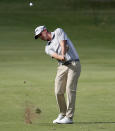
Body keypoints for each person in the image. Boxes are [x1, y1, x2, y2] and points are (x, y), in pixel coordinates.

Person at [34, 25, 81, 124]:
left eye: (40, 35)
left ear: (45, 30)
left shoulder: (58, 31)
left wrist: (63, 54)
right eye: (38, 37)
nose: (40, 37)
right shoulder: (47, 48)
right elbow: (55, 55)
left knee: (69, 89)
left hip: (74, 64)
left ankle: (69, 117)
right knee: (58, 91)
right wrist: (61, 57)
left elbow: (63, 43)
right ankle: (62, 114)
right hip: (62, 66)